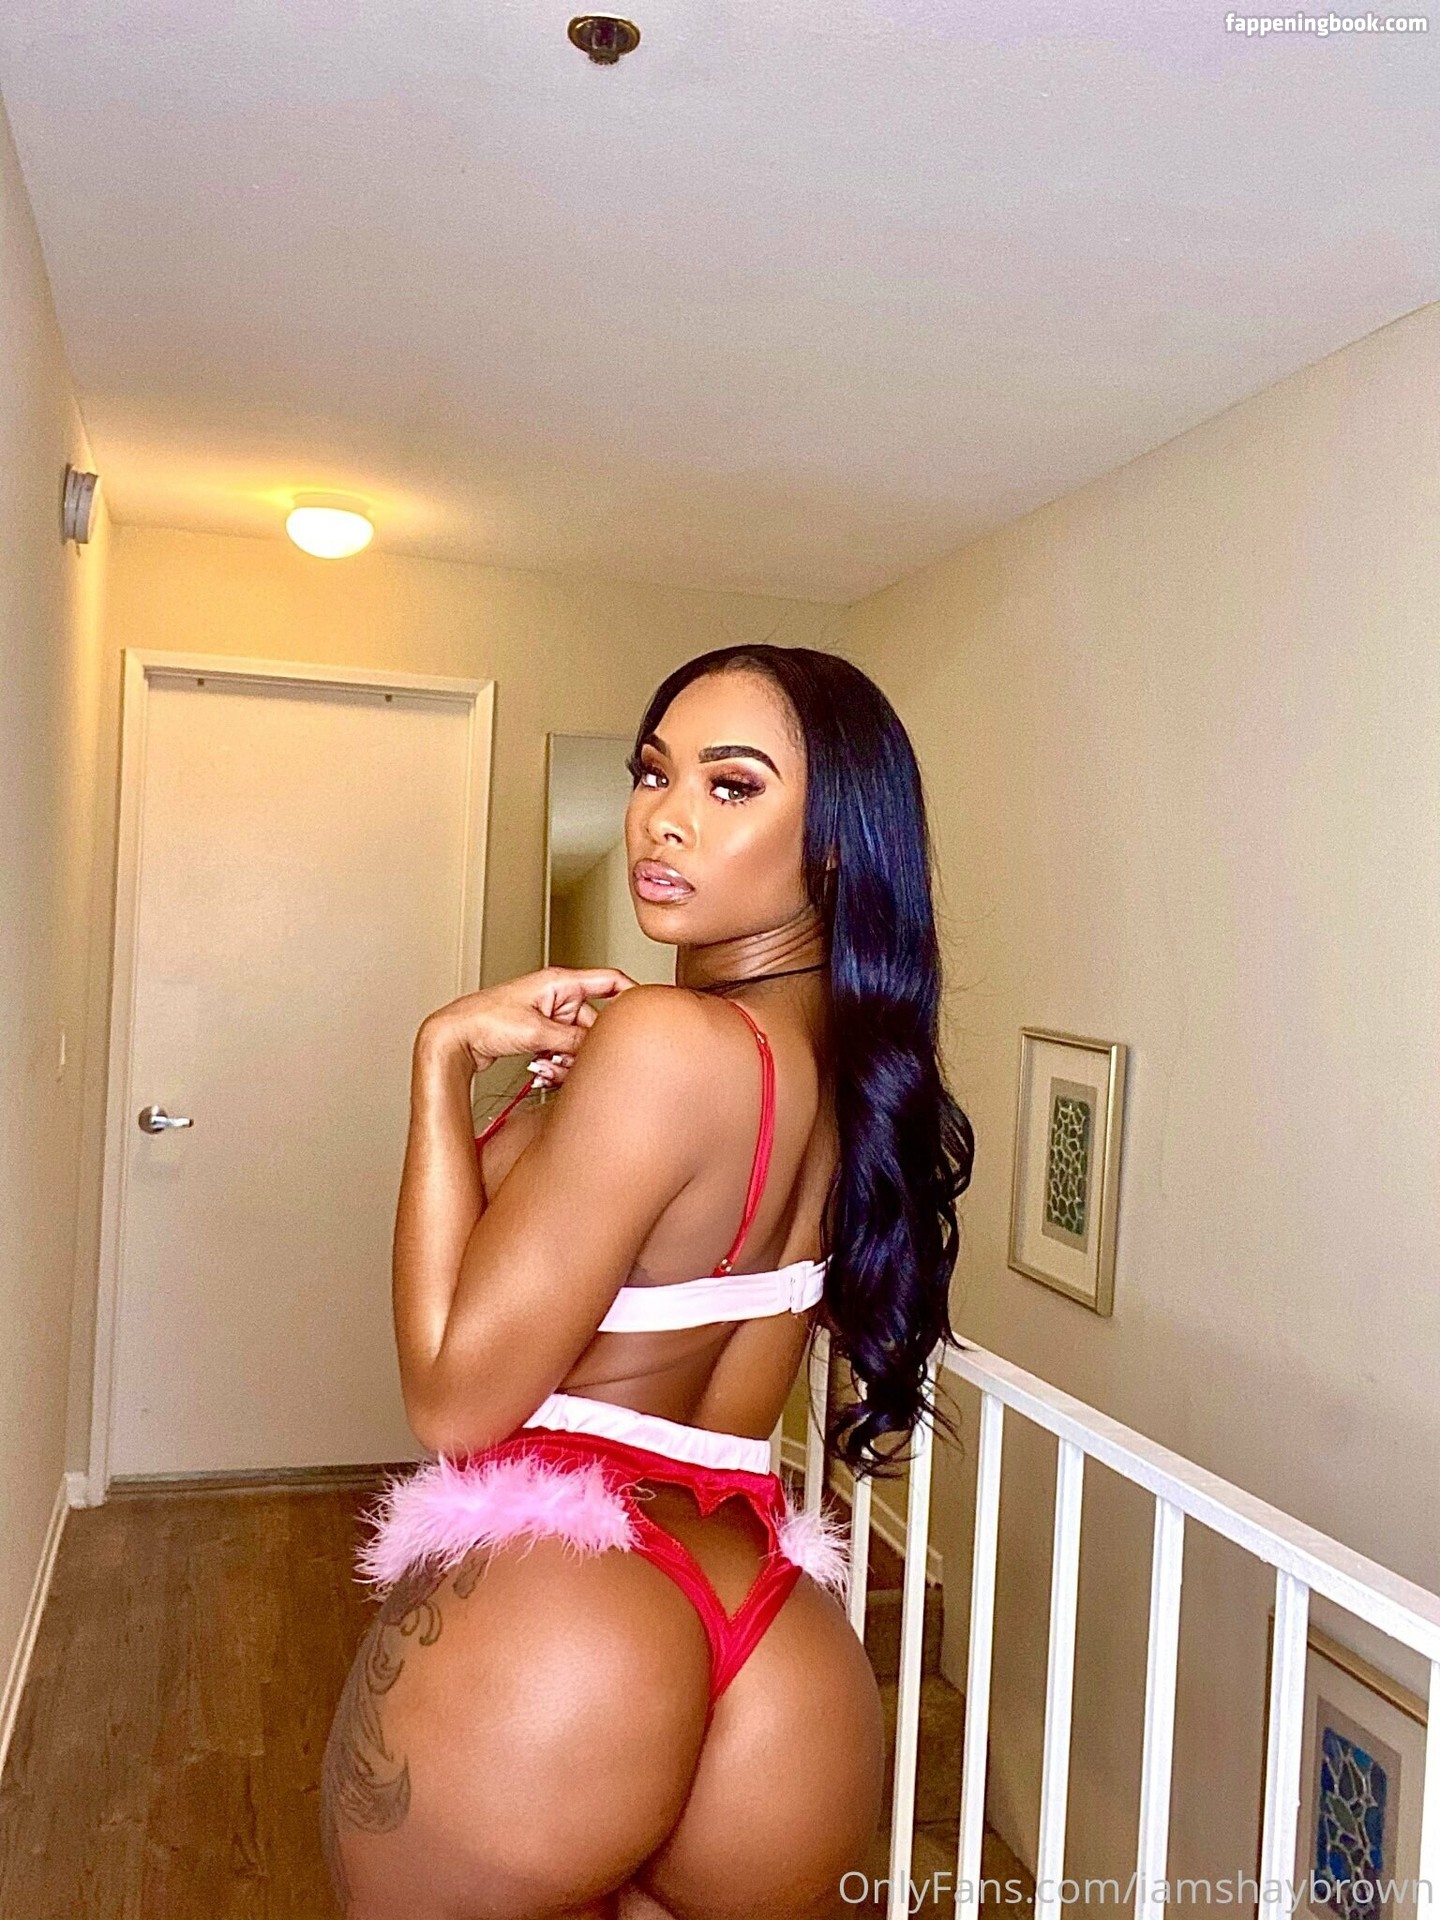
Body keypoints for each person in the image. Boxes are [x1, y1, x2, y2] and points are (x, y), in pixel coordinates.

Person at [320, 644, 975, 1920]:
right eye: (651, 772)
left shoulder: (666, 1042)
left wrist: (440, 1058)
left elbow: (453, 1398)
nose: (663, 819)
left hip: (571, 1610)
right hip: (775, 1629)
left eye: (731, 786)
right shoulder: (849, 1074)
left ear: (834, 847)